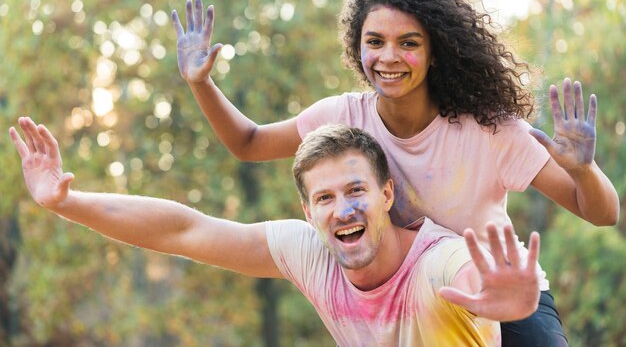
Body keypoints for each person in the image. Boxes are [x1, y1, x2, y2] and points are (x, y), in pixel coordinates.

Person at [170, 0, 619, 346]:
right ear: (357, 47)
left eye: (409, 43)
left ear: (434, 53)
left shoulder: (490, 129)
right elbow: (247, 143)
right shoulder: (342, 116)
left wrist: (582, 171)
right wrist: (201, 83)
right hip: (410, 298)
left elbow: (601, 212)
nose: (389, 57)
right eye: (375, 42)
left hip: (500, 289)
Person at [10, 118, 540, 346]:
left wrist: (513, 301)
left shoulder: (434, 262)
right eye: (325, 198)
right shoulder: (309, 252)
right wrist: (67, 202)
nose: (342, 209)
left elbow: (469, 275)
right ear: (308, 211)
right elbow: (182, 229)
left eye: (356, 191)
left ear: (386, 195)